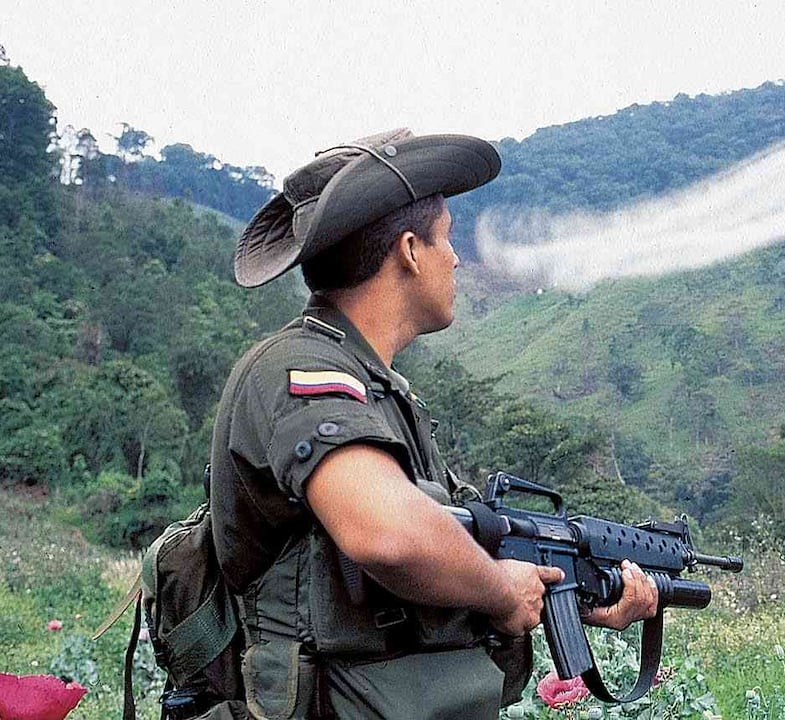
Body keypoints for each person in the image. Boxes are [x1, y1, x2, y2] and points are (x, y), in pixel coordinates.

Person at [209, 128, 657, 719]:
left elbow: (443, 554)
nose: (456, 258)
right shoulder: (302, 369)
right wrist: (500, 591)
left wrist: (564, 590)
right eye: (447, 239)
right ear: (410, 250)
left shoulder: (381, 392)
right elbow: (389, 534)